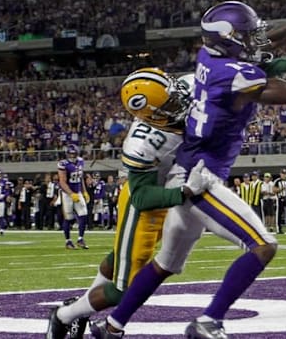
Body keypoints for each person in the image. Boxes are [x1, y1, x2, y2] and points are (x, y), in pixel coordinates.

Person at [90, 0, 286, 338]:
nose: (255, 38)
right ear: (229, 39)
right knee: (263, 245)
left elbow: (261, 46)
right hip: (201, 176)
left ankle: (111, 325)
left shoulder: (208, 55)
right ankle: (209, 320)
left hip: (191, 166)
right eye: (247, 34)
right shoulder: (231, 73)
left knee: (164, 264)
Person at [46, 69, 210, 339]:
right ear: (151, 115)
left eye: (175, 96)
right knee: (126, 288)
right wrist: (184, 192)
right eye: (169, 105)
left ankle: (80, 310)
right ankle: (64, 315)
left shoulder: (187, 86)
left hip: (168, 199)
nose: (179, 104)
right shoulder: (141, 144)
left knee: (119, 259)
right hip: (144, 205)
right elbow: (141, 197)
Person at [57, 144, 91, 249]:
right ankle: (68, 241)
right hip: (67, 194)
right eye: (71, 153)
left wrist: (84, 191)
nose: (72, 155)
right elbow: (62, 182)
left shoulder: (80, 161)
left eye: (74, 153)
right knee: (69, 217)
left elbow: (80, 178)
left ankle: (80, 239)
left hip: (78, 191)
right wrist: (71, 194)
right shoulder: (63, 164)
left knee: (84, 214)